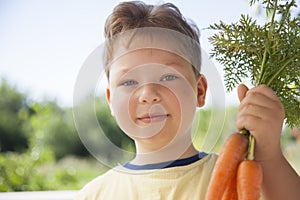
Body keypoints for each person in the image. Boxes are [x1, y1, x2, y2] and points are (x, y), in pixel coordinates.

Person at [75, 1, 300, 199]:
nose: (148, 94)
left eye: (168, 76)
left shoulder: (241, 180)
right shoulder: (94, 195)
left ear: (200, 91)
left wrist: (269, 155)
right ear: (110, 99)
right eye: (129, 82)